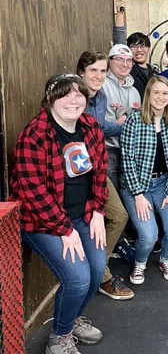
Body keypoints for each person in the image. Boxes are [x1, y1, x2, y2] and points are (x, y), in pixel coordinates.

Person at [10, 74, 108, 354]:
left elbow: (100, 171)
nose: (73, 100)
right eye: (65, 94)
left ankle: (72, 317)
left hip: (84, 215)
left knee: (97, 269)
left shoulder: (90, 126)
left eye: (79, 94)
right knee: (78, 278)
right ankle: (59, 337)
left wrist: (99, 211)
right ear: (50, 99)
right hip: (42, 222)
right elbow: (32, 192)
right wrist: (64, 229)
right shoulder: (35, 135)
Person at [76, 51, 134, 300]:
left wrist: (123, 126)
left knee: (119, 216)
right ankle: (102, 275)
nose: (98, 76)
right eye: (93, 71)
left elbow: (97, 127)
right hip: (73, 173)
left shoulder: (100, 98)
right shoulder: (73, 96)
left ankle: (99, 268)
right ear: (81, 73)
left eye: (102, 71)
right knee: (87, 221)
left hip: (96, 168)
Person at [120, 76, 168, 284]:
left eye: (165, 93)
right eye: (156, 92)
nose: (160, 97)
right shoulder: (134, 120)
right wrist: (138, 194)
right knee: (148, 237)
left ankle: (166, 259)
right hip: (136, 185)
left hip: (164, 183)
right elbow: (126, 159)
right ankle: (140, 262)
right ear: (148, 94)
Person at [102, 44, 141, 194]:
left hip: (129, 150)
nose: (125, 64)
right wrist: (116, 124)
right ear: (110, 61)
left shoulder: (135, 92)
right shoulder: (102, 85)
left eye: (129, 60)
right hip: (108, 148)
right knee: (112, 194)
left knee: (128, 193)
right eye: (120, 59)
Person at [112, 0, 158, 98]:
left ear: (149, 49)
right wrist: (120, 13)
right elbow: (119, 39)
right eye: (134, 46)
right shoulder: (128, 67)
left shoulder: (155, 72)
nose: (139, 50)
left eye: (143, 46)